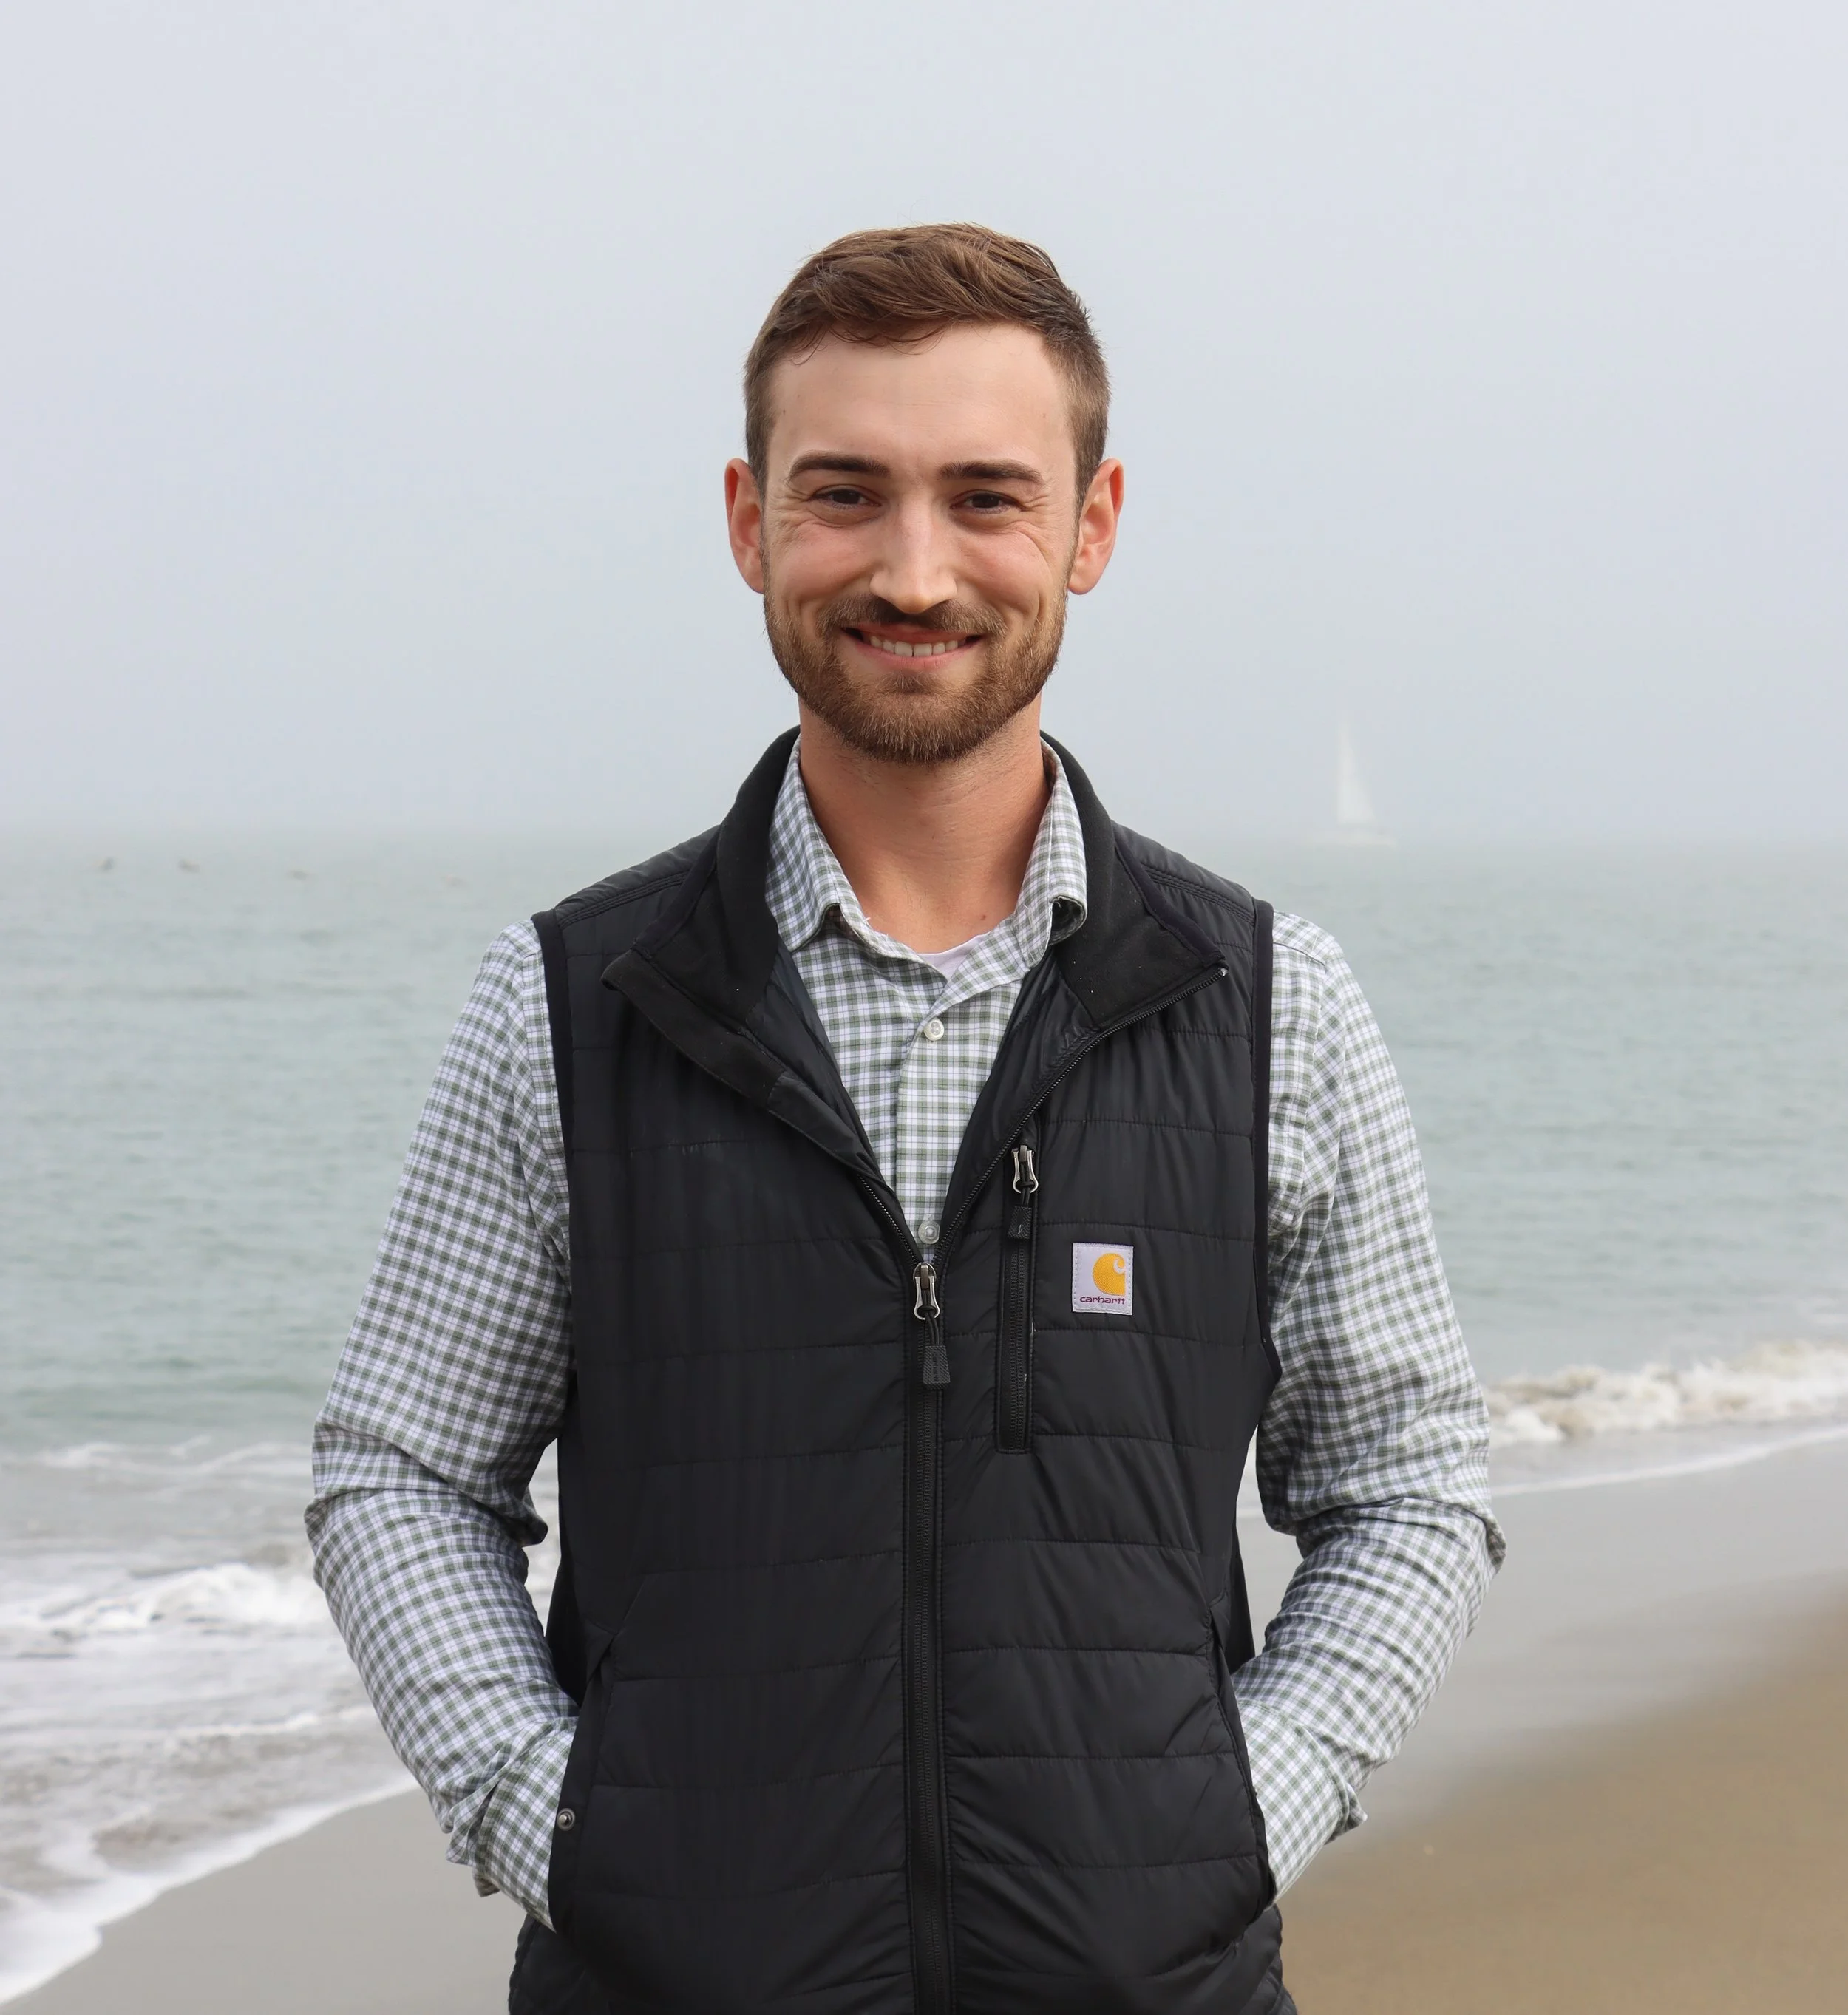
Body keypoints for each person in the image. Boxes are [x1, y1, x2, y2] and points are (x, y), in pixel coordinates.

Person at [308, 223, 1502, 2015]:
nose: (916, 568)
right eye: (846, 492)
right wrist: (547, 1814)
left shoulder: (1270, 1005)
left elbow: (1405, 1478)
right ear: (750, 522)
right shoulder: (567, 1000)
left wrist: (1243, 1809)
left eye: (986, 498)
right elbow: (398, 1469)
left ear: (1089, 528)